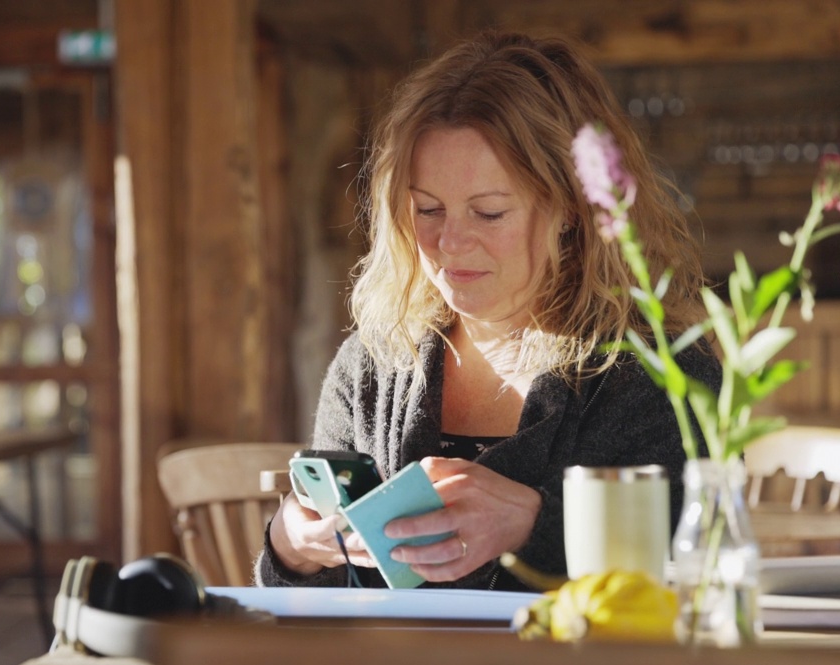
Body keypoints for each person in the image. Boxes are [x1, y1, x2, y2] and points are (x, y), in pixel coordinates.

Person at [256, 30, 721, 591]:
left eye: (489, 213)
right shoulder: (373, 365)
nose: (450, 243)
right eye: (428, 209)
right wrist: (292, 548)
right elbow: (317, 619)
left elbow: (686, 572)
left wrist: (533, 521)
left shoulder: (661, 374)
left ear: (571, 209)